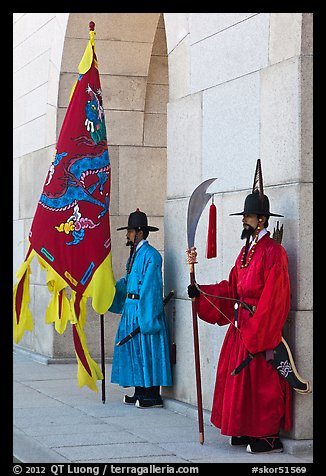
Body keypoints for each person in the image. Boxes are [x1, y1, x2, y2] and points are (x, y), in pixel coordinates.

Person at [186, 161, 292, 454]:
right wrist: (202, 293)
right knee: (236, 381)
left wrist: (257, 334)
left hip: (260, 330)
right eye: (244, 216)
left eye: (248, 217)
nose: (244, 221)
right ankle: (245, 429)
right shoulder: (245, 252)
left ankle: (267, 437)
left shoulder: (274, 253)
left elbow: (276, 299)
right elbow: (231, 289)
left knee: (261, 384)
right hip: (241, 327)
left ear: (261, 220)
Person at [109, 208, 172, 408]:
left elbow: (151, 287)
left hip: (144, 309)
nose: (127, 235)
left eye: (130, 231)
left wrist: (148, 317)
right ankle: (139, 391)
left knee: (147, 351)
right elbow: (127, 282)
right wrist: (107, 291)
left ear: (140, 233)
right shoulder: (134, 255)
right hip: (131, 309)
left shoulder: (152, 256)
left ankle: (152, 395)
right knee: (134, 350)